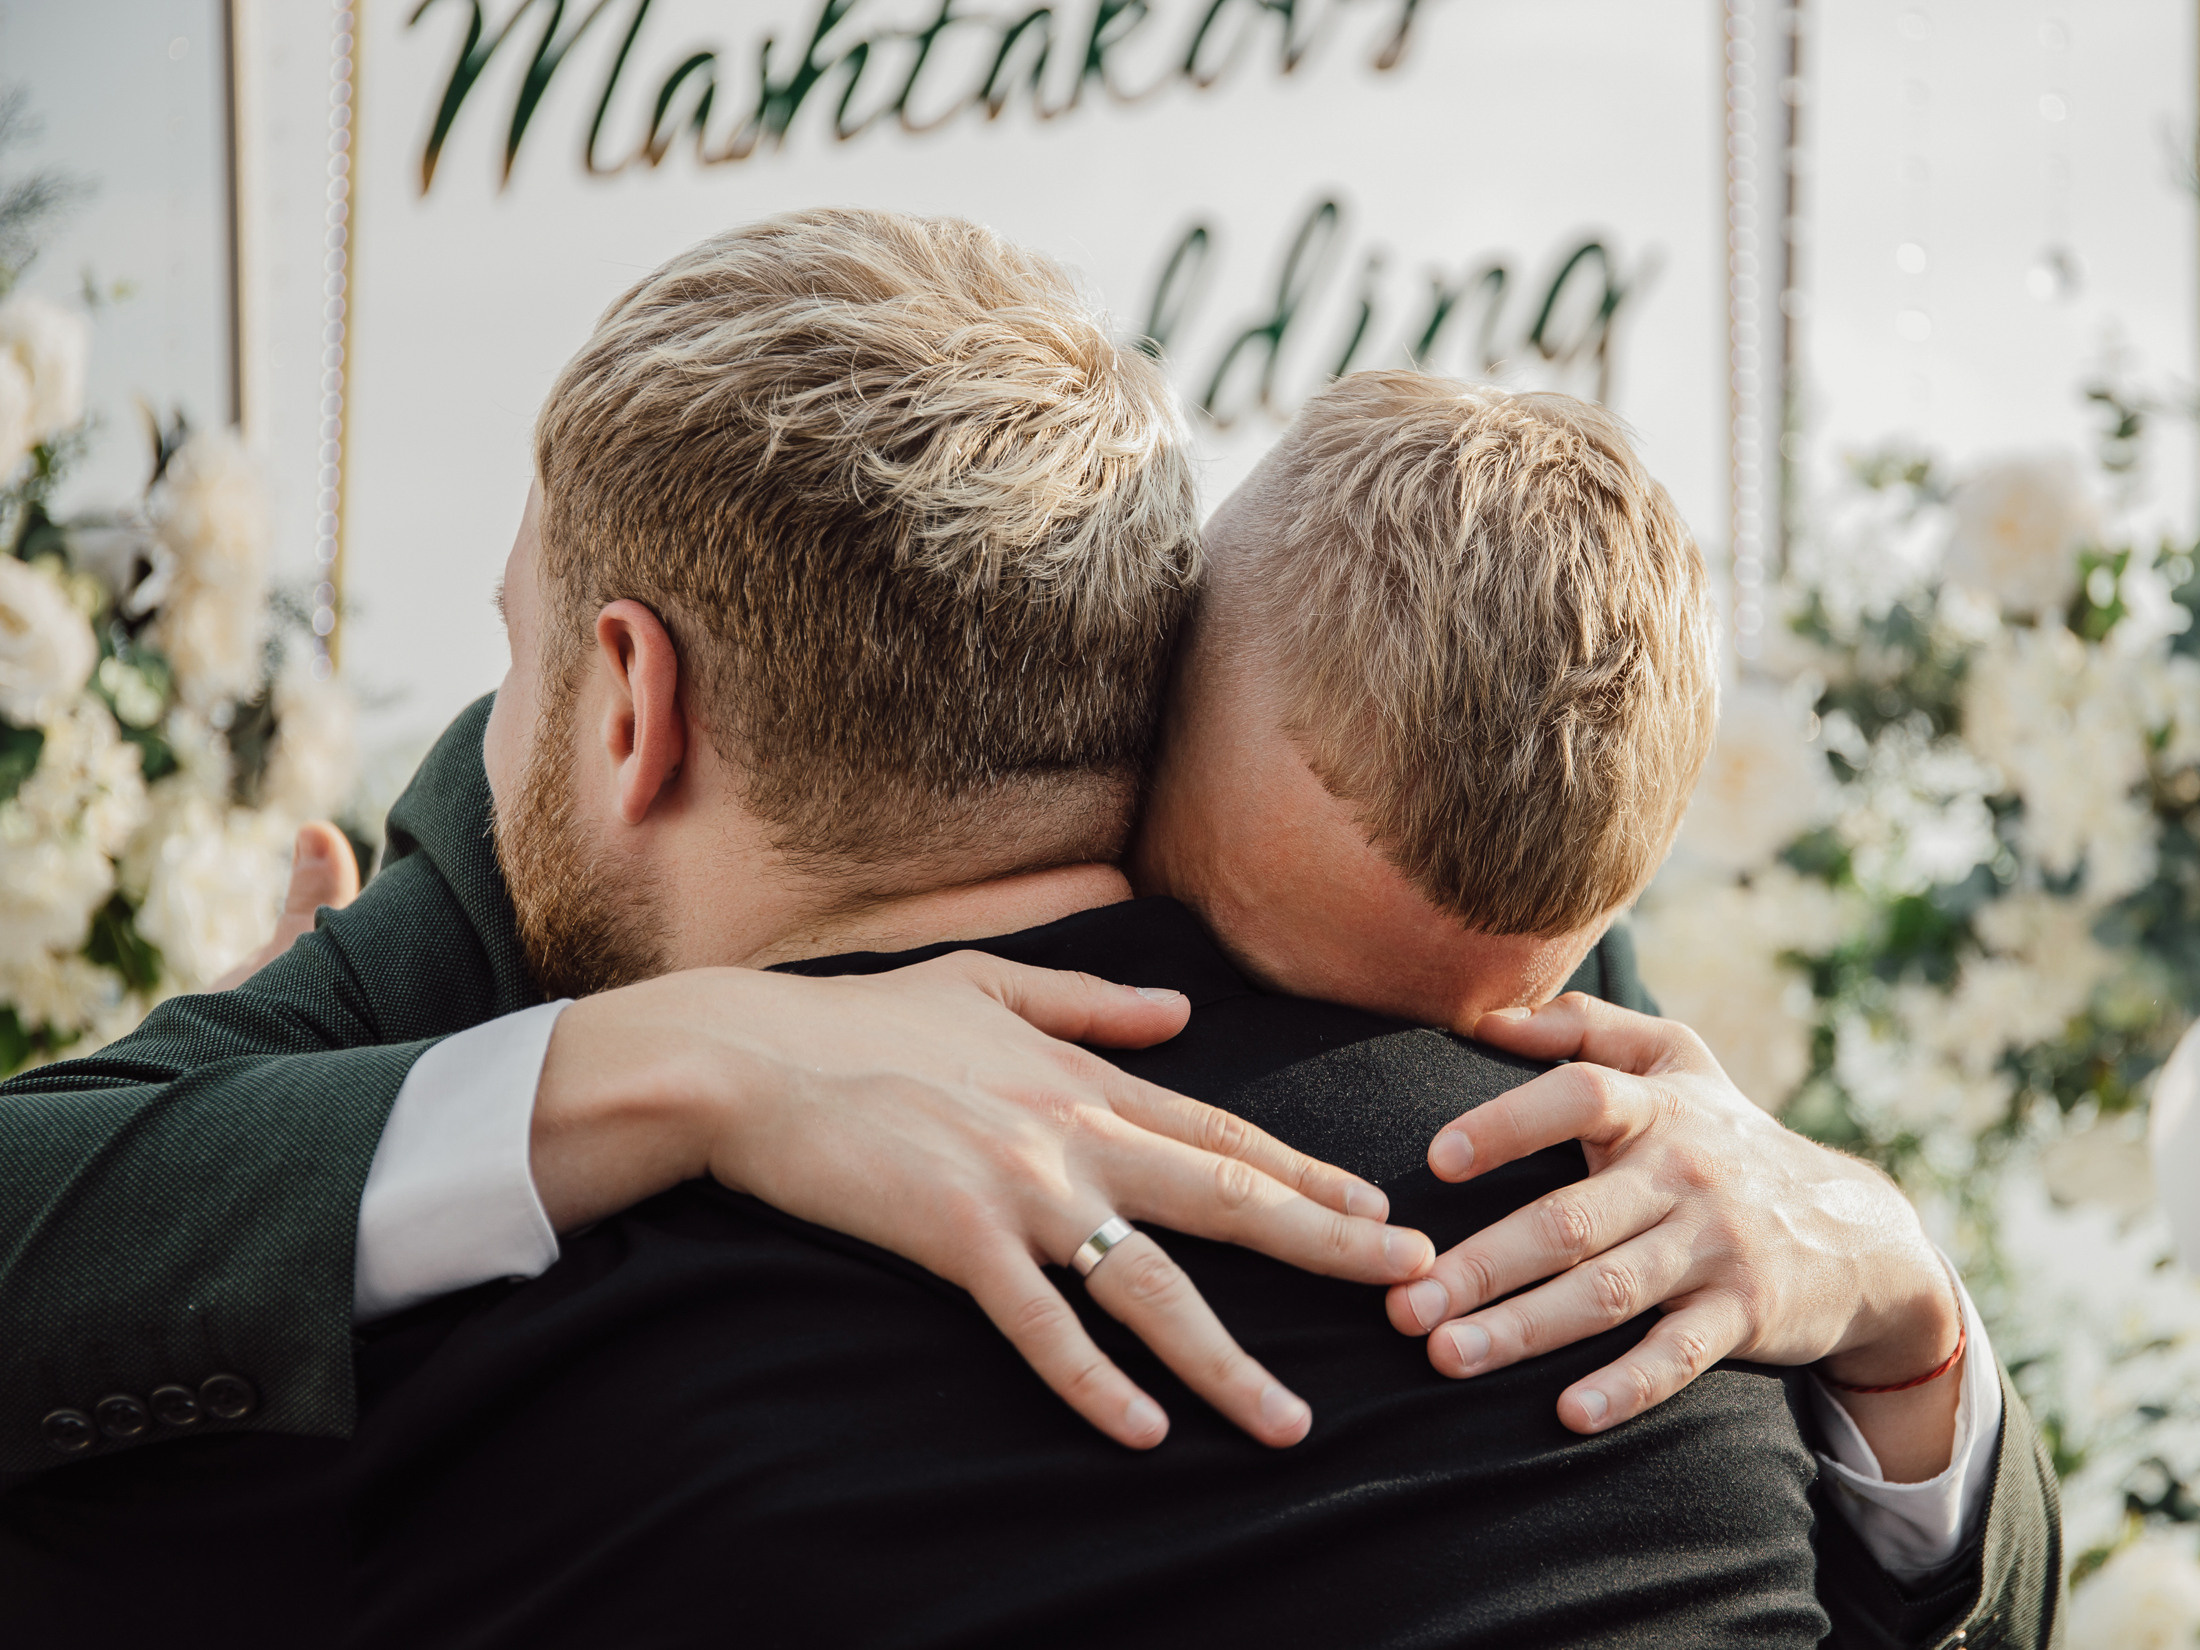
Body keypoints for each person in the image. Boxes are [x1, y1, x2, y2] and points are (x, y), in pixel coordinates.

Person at [0, 215, 2054, 1647]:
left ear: (630, 703)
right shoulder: (1644, 1285)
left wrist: (552, 1079)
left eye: (516, 646)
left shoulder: (454, 1366)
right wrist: (1904, 1333)